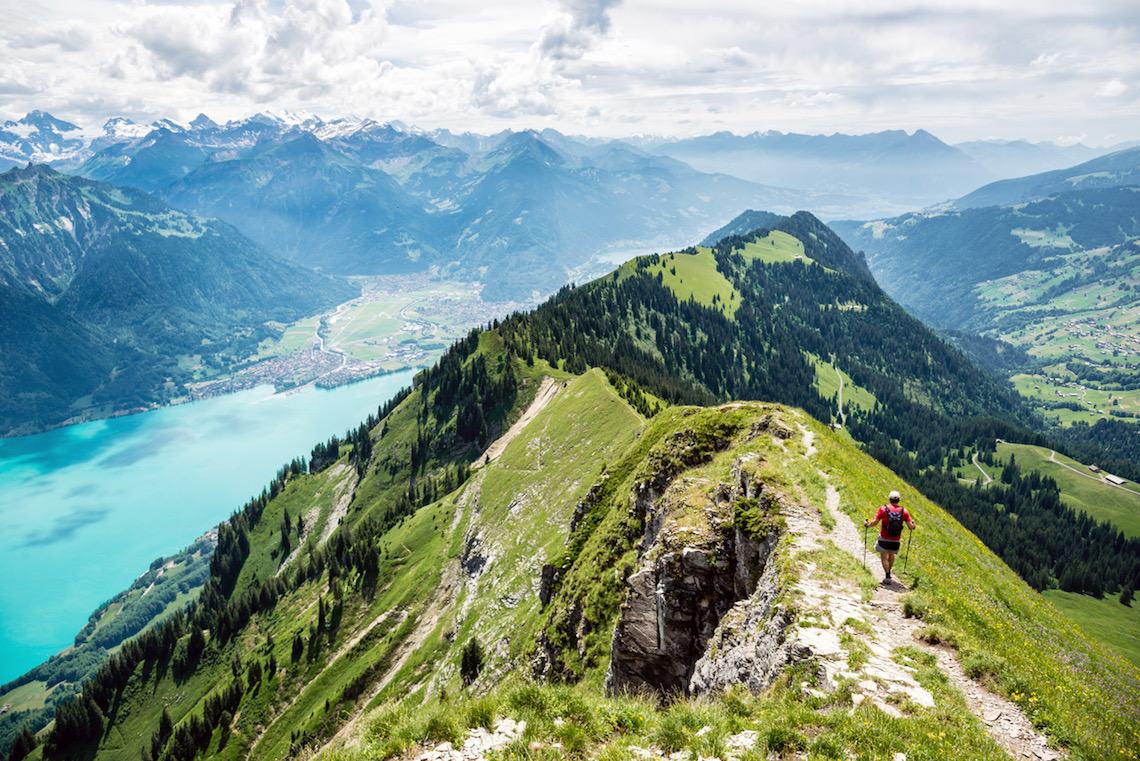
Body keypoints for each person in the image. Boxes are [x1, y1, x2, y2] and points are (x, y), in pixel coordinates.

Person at [864, 490, 916, 583]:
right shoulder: (904, 511)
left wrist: (867, 524)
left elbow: (875, 522)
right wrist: (913, 525)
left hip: (884, 538)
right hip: (895, 540)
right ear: (899, 500)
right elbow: (910, 527)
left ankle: (887, 575)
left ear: (889, 499)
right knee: (891, 555)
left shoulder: (883, 509)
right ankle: (889, 572)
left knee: (884, 556)